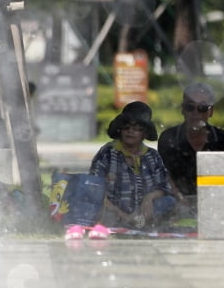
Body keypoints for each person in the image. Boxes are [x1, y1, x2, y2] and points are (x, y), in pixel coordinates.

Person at [64, 101, 177, 240]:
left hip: (143, 212)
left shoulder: (152, 155)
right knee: (96, 203)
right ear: (120, 130)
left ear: (144, 133)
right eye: (126, 127)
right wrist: (123, 215)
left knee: (169, 201)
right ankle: (130, 224)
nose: (130, 131)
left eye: (136, 128)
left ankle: (139, 222)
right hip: (112, 211)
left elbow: (164, 186)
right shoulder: (108, 152)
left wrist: (150, 197)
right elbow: (93, 188)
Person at [158, 82, 224, 211]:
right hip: (176, 204)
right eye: (190, 107)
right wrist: (180, 200)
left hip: (215, 204)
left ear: (211, 111)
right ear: (182, 109)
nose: (195, 112)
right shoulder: (168, 138)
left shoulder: (222, 139)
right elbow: (164, 176)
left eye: (202, 108)